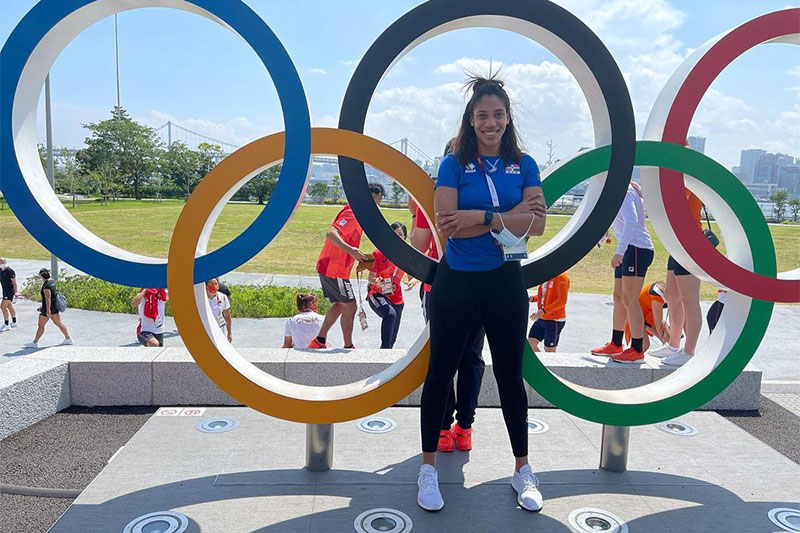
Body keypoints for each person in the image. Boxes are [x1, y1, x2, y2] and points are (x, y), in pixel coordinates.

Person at [417, 75, 547, 513]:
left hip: (505, 281)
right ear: (470, 120)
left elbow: (538, 223)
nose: (489, 123)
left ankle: (522, 470)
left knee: (511, 376)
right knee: (440, 374)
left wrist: (482, 216)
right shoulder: (453, 162)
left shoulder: (525, 164)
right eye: (481, 116)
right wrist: (504, 216)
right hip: (457, 282)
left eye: (497, 115)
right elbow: (446, 222)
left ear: (508, 119)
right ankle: (428, 468)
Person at [412, 140, 486, 454]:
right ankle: (464, 428)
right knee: (471, 357)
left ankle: (442, 430)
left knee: (442, 359)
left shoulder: (430, 195)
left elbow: (418, 244)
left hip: (441, 286)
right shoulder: (485, 192)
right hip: (483, 285)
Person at [310, 182, 385, 349]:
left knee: (340, 304)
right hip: (333, 269)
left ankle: (319, 341)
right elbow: (331, 233)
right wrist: (351, 251)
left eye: (378, 203)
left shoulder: (357, 213)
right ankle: (347, 346)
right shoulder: (354, 213)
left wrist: (356, 257)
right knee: (350, 306)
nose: (376, 207)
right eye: (374, 202)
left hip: (335, 268)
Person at [591, 183, 655, 364]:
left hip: (636, 248)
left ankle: (637, 349)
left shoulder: (623, 189)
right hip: (629, 248)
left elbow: (632, 221)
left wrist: (620, 251)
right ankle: (616, 343)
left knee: (629, 299)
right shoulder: (615, 190)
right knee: (618, 297)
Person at [649, 184, 704, 366]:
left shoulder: (687, 181)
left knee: (690, 299)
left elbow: (673, 202)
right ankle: (673, 345)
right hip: (677, 242)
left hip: (691, 240)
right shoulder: (679, 180)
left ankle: (688, 351)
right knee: (672, 296)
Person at [367, 222, 408, 349]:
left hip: (397, 299)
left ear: (405, 238)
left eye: (400, 235)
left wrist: (412, 283)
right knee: (390, 314)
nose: (397, 238)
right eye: (394, 234)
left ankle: (387, 356)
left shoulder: (406, 255)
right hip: (377, 294)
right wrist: (377, 282)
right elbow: (371, 278)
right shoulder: (378, 253)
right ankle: (383, 353)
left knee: (392, 338)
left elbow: (414, 277)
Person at [23, 268, 71, 348]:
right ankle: (68, 338)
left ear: (42, 276)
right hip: (54, 308)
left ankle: (35, 343)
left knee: (41, 325)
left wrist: (47, 310)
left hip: (48, 309)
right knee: (59, 323)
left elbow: (48, 298)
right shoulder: (51, 283)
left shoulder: (46, 286)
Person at [528, 272, 570, 353]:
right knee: (531, 343)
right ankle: (541, 363)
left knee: (549, 349)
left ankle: (549, 364)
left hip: (555, 320)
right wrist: (533, 298)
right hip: (543, 317)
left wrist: (543, 311)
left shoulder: (562, 278)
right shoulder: (545, 276)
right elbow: (545, 295)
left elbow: (561, 301)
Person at [623, 281, 669, 353]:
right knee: (645, 344)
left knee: (664, 328)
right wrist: (662, 335)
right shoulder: (658, 295)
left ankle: (670, 348)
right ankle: (634, 355)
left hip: (646, 314)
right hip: (636, 315)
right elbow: (658, 321)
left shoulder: (665, 292)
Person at [206, 278, 232, 342]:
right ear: (206, 286)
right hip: (207, 329)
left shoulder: (222, 297)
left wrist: (229, 332)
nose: (214, 286)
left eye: (216, 284)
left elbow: (227, 316)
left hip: (220, 328)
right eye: (212, 284)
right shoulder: (202, 298)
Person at [0, 258, 19, 331]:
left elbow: (14, 282)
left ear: (5, 262)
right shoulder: (1, 270)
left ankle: (6, 324)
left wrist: (16, 292)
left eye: (2, 262)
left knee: (3, 306)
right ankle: (14, 322)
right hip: (4, 291)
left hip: (10, 292)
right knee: (9, 306)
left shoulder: (10, 271)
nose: (1, 264)